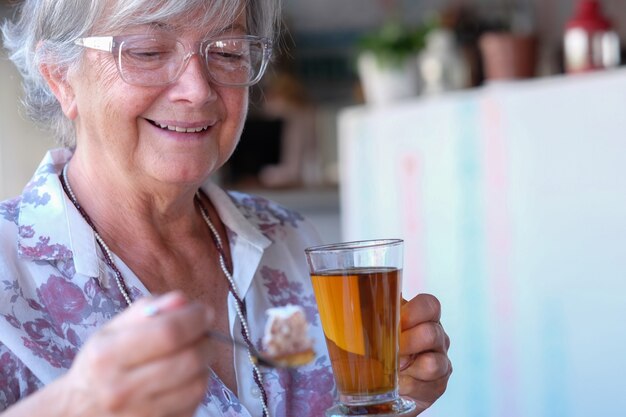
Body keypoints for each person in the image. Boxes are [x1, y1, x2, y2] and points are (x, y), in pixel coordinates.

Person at [0, 1, 452, 416]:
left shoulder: (290, 240)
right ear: (59, 76)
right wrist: (76, 403)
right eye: (148, 51)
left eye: (229, 52)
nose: (198, 90)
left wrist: (389, 399)